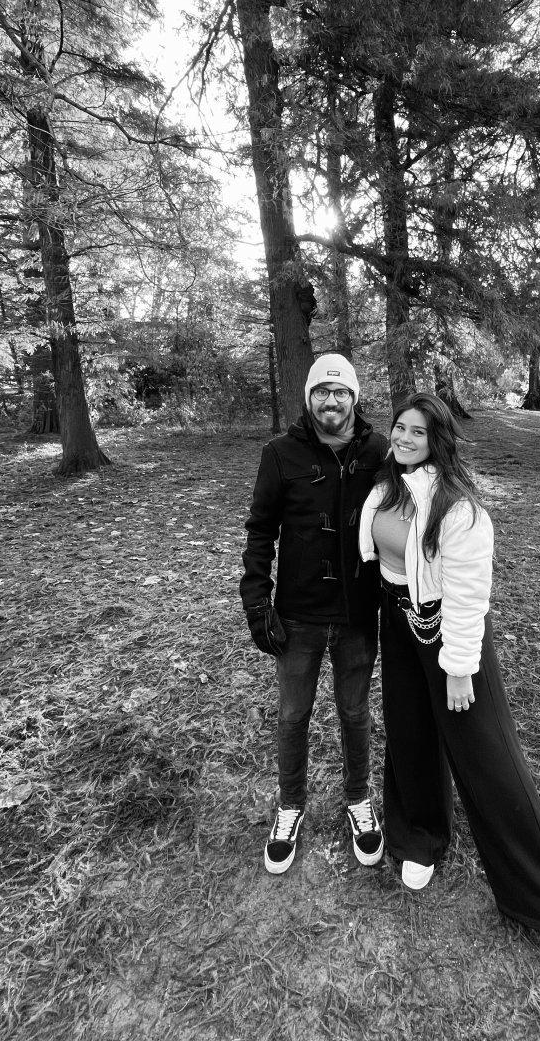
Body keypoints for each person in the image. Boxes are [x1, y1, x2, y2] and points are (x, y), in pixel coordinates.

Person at [359, 392, 540, 978]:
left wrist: (459, 666)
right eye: (400, 427)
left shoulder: (460, 509)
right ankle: (420, 837)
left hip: (449, 635)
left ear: (438, 440)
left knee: (487, 757)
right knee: (409, 734)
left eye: (418, 431)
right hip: (396, 621)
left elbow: (468, 594)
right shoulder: (386, 486)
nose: (404, 438)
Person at [240, 353, 389, 875]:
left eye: (341, 391)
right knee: (292, 714)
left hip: (357, 611)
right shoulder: (279, 453)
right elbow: (261, 531)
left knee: (355, 711)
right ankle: (290, 805)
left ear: (354, 398)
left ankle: (358, 799)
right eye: (322, 391)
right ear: (309, 397)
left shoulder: (378, 450)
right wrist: (256, 600)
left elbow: (407, 512)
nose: (332, 400)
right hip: (298, 613)